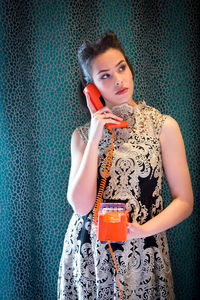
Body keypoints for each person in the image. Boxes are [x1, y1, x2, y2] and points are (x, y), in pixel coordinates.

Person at [57, 31, 193, 300]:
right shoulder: (82, 136)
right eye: (105, 75)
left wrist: (142, 231)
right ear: (91, 88)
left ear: (130, 69)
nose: (118, 79)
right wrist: (96, 136)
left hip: (144, 248)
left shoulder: (163, 126)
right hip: (91, 255)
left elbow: (185, 201)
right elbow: (81, 206)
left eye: (121, 68)